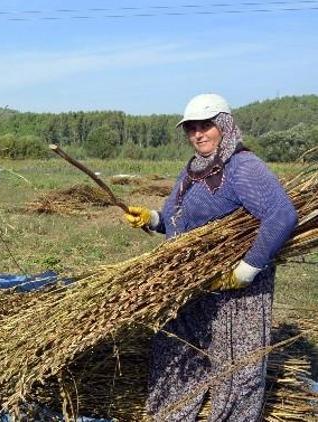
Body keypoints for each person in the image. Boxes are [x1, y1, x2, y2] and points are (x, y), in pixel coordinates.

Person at [123, 93, 297, 420]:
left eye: (207, 126)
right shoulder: (193, 169)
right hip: (192, 281)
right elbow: (179, 220)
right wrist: (151, 219)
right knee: (176, 353)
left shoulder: (242, 166)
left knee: (236, 367)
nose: (198, 134)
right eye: (191, 128)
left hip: (237, 291)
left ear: (225, 125)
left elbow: (281, 215)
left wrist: (245, 271)